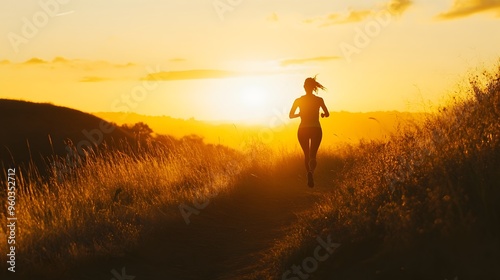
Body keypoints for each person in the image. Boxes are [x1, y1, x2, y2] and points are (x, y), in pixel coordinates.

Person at [289, 76, 330, 187]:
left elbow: (290, 115)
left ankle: (308, 173)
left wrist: (300, 114)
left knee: (306, 155)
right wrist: (322, 115)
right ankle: (311, 172)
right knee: (313, 156)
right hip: (316, 129)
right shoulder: (319, 100)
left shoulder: (298, 100)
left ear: (304, 87)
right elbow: (327, 113)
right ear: (313, 88)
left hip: (303, 129)